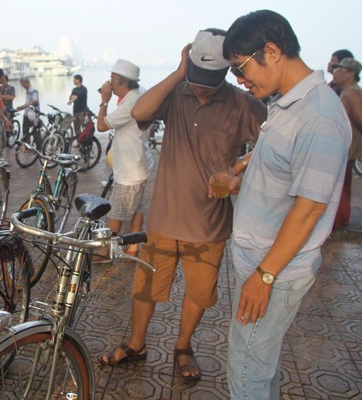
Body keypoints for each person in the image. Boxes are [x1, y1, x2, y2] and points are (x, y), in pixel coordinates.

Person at [98, 29, 267, 384]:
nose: (203, 85)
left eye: (212, 78)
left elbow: (276, 142)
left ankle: (183, 346)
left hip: (209, 225)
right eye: (197, 76)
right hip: (163, 218)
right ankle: (136, 343)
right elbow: (139, 111)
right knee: (144, 288)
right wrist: (178, 74)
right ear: (188, 63)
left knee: (199, 292)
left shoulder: (242, 104)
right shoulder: (176, 91)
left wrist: (237, 168)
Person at [222, 10, 351, 399]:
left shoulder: (319, 117)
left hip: (274, 269)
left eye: (241, 70)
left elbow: (309, 209)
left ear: (272, 51)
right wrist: (243, 168)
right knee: (260, 362)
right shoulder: (288, 102)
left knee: (247, 371)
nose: (242, 83)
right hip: (261, 259)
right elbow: (277, 155)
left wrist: (264, 277)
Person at [94, 59, 153, 258]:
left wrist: (104, 99)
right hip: (140, 164)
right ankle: (134, 246)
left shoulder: (130, 102)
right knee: (137, 208)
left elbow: (101, 126)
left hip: (129, 171)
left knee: (116, 213)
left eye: (113, 80)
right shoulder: (141, 93)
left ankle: (104, 252)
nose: (109, 84)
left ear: (125, 82)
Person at [329, 56, 361, 230]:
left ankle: (338, 221)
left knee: (340, 188)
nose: (335, 72)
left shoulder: (352, 93)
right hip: (342, 150)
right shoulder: (348, 92)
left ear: (351, 73)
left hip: (344, 150)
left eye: (339, 69)